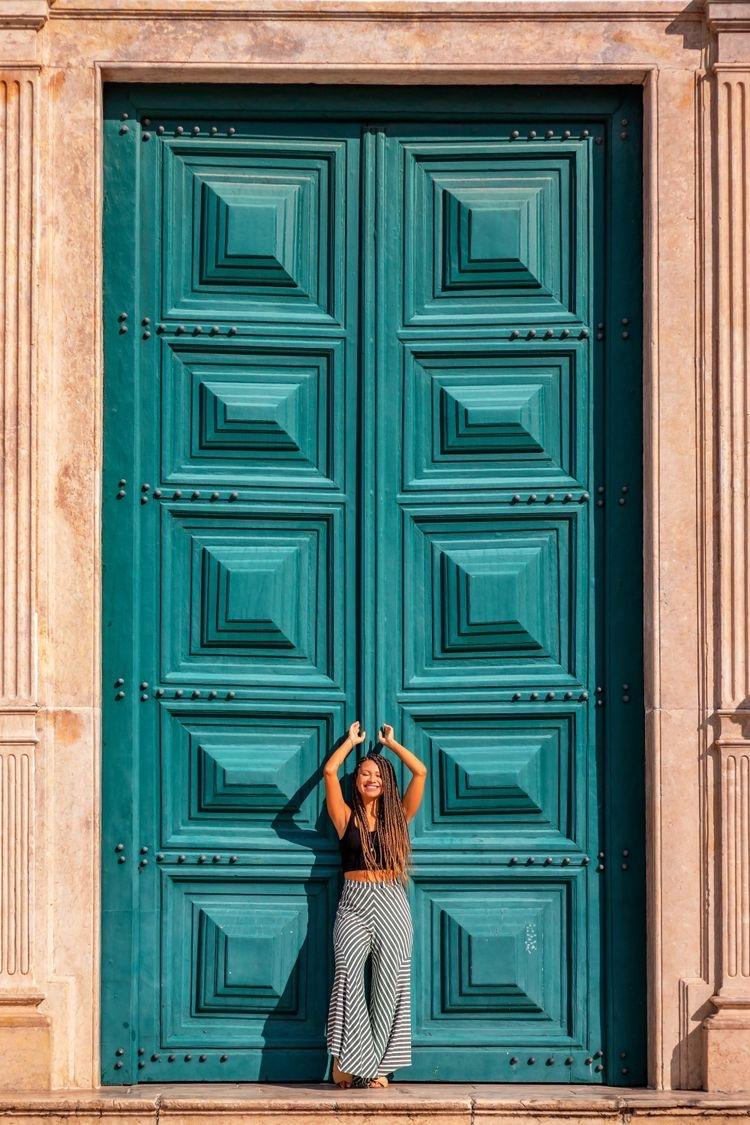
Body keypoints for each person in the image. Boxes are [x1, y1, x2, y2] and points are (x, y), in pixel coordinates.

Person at [323, 720, 427, 1089]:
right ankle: (344, 1060)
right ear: (357, 781)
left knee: (389, 986)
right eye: (365, 774)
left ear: (386, 782)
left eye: (378, 774)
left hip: (391, 902)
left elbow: (420, 771)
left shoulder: (397, 818)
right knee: (347, 978)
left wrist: (391, 746)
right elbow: (330, 770)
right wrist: (351, 743)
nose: (371, 779)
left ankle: (379, 1065)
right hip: (353, 902)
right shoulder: (344, 817)